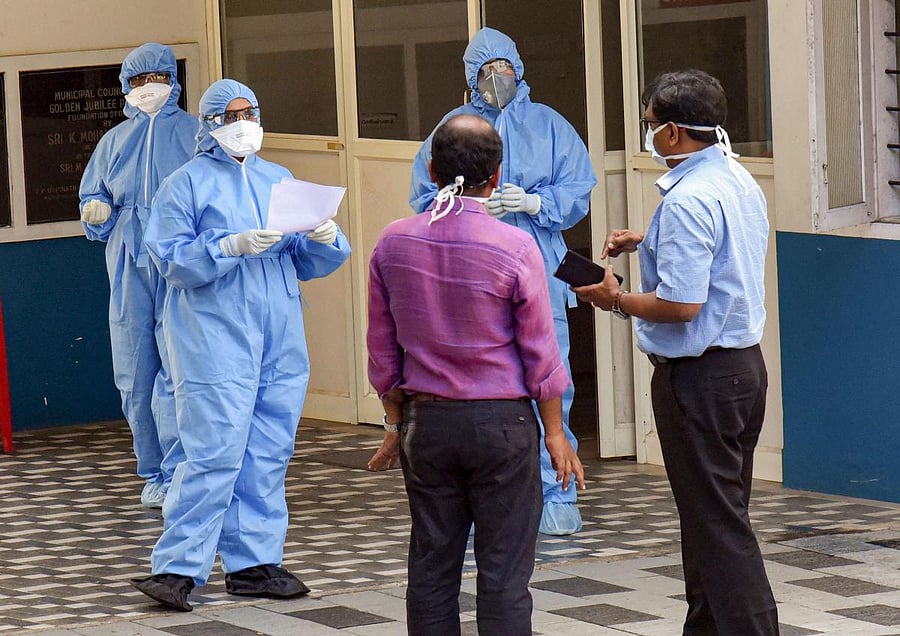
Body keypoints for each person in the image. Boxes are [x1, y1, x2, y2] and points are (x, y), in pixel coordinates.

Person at [132, 79, 352, 612]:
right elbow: (170, 259)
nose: (242, 121)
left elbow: (306, 258)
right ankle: (177, 568)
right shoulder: (183, 185)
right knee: (212, 453)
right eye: (230, 113)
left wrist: (327, 238)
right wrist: (226, 245)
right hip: (213, 337)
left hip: (278, 337)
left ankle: (253, 564)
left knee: (268, 451)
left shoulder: (277, 178)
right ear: (208, 123)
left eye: (249, 110)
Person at [573, 69, 778, 634]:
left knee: (718, 522)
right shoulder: (735, 178)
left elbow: (682, 305)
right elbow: (722, 254)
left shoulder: (689, 199)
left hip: (701, 378)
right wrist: (652, 240)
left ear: (671, 133)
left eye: (648, 125)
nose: (647, 134)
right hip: (741, 370)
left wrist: (615, 300)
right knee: (710, 513)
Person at [369, 114, 586, 635]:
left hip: (429, 429)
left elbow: (383, 351)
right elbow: (541, 350)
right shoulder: (514, 247)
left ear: (430, 167)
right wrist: (555, 433)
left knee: (431, 568)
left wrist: (395, 424)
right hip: (503, 429)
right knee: (505, 575)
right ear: (497, 175)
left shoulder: (394, 242)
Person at [409, 27, 596, 536]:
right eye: (486, 70)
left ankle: (556, 495)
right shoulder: (454, 127)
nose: (497, 78)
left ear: (519, 66)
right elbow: (422, 197)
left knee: (550, 380)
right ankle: (482, 506)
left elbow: (578, 187)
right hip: (468, 273)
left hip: (538, 268)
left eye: (503, 67)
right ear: (470, 76)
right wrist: (462, 201)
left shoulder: (549, 125)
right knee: (480, 381)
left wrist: (535, 204)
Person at [79, 42, 197, 509]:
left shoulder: (194, 135)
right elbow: (95, 199)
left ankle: (179, 467)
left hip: (179, 259)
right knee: (134, 368)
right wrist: (96, 211)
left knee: (178, 366)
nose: (149, 89)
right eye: (139, 81)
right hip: (128, 259)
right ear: (126, 87)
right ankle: (151, 469)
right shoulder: (113, 141)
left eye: (158, 79)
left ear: (173, 81)